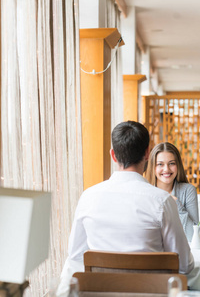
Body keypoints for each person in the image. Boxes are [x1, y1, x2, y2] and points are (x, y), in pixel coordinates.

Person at [57, 121, 196, 295]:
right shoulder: (162, 201)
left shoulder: (88, 197)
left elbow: (76, 257)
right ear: (147, 153)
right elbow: (184, 265)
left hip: (100, 293)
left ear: (113, 155)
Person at [146, 142, 199, 242]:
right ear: (153, 167)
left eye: (171, 163)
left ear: (178, 165)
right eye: (160, 164)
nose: (166, 169)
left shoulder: (188, 191)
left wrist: (176, 205)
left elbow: (193, 236)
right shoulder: (145, 192)